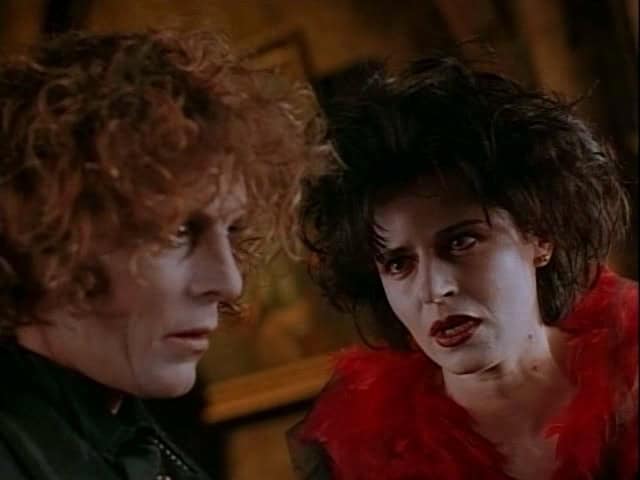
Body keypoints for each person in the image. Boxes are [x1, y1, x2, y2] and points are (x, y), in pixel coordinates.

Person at [291, 56, 637, 480]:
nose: (434, 289)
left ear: (540, 235)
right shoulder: (360, 457)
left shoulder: (631, 379)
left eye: (461, 242)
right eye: (399, 264)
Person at [0, 29, 323, 479]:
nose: (230, 283)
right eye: (177, 231)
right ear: (45, 237)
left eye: (232, 231)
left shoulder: (128, 431)